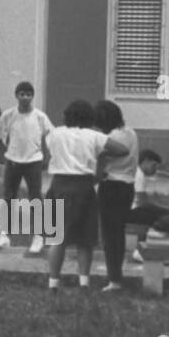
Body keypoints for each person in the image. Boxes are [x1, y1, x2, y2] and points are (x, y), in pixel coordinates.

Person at [44, 99, 130, 295]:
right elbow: (122, 150)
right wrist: (100, 155)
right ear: (90, 117)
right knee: (85, 239)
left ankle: (53, 283)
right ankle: (84, 283)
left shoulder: (54, 133)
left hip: (58, 184)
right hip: (83, 186)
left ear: (67, 116)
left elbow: (49, 153)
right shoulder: (94, 135)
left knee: (57, 238)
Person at [0, 82, 53, 255]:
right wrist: (3, 153)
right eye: (22, 94)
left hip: (34, 162)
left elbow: (50, 136)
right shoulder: (9, 115)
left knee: (35, 198)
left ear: (33, 96)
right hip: (13, 162)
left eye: (29, 94)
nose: (25, 97)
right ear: (16, 96)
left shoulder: (40, 116)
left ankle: (38, 236)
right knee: (9, 197)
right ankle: (4, 234)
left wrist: (45, 156)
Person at [93, 99, 139, 293]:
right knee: (118, 233)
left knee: (109, 236)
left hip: (111, 186)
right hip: (128, 186)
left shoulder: (110, 137)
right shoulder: (131, 132)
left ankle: (114, 280)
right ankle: (116, 275)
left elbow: (100, 164)